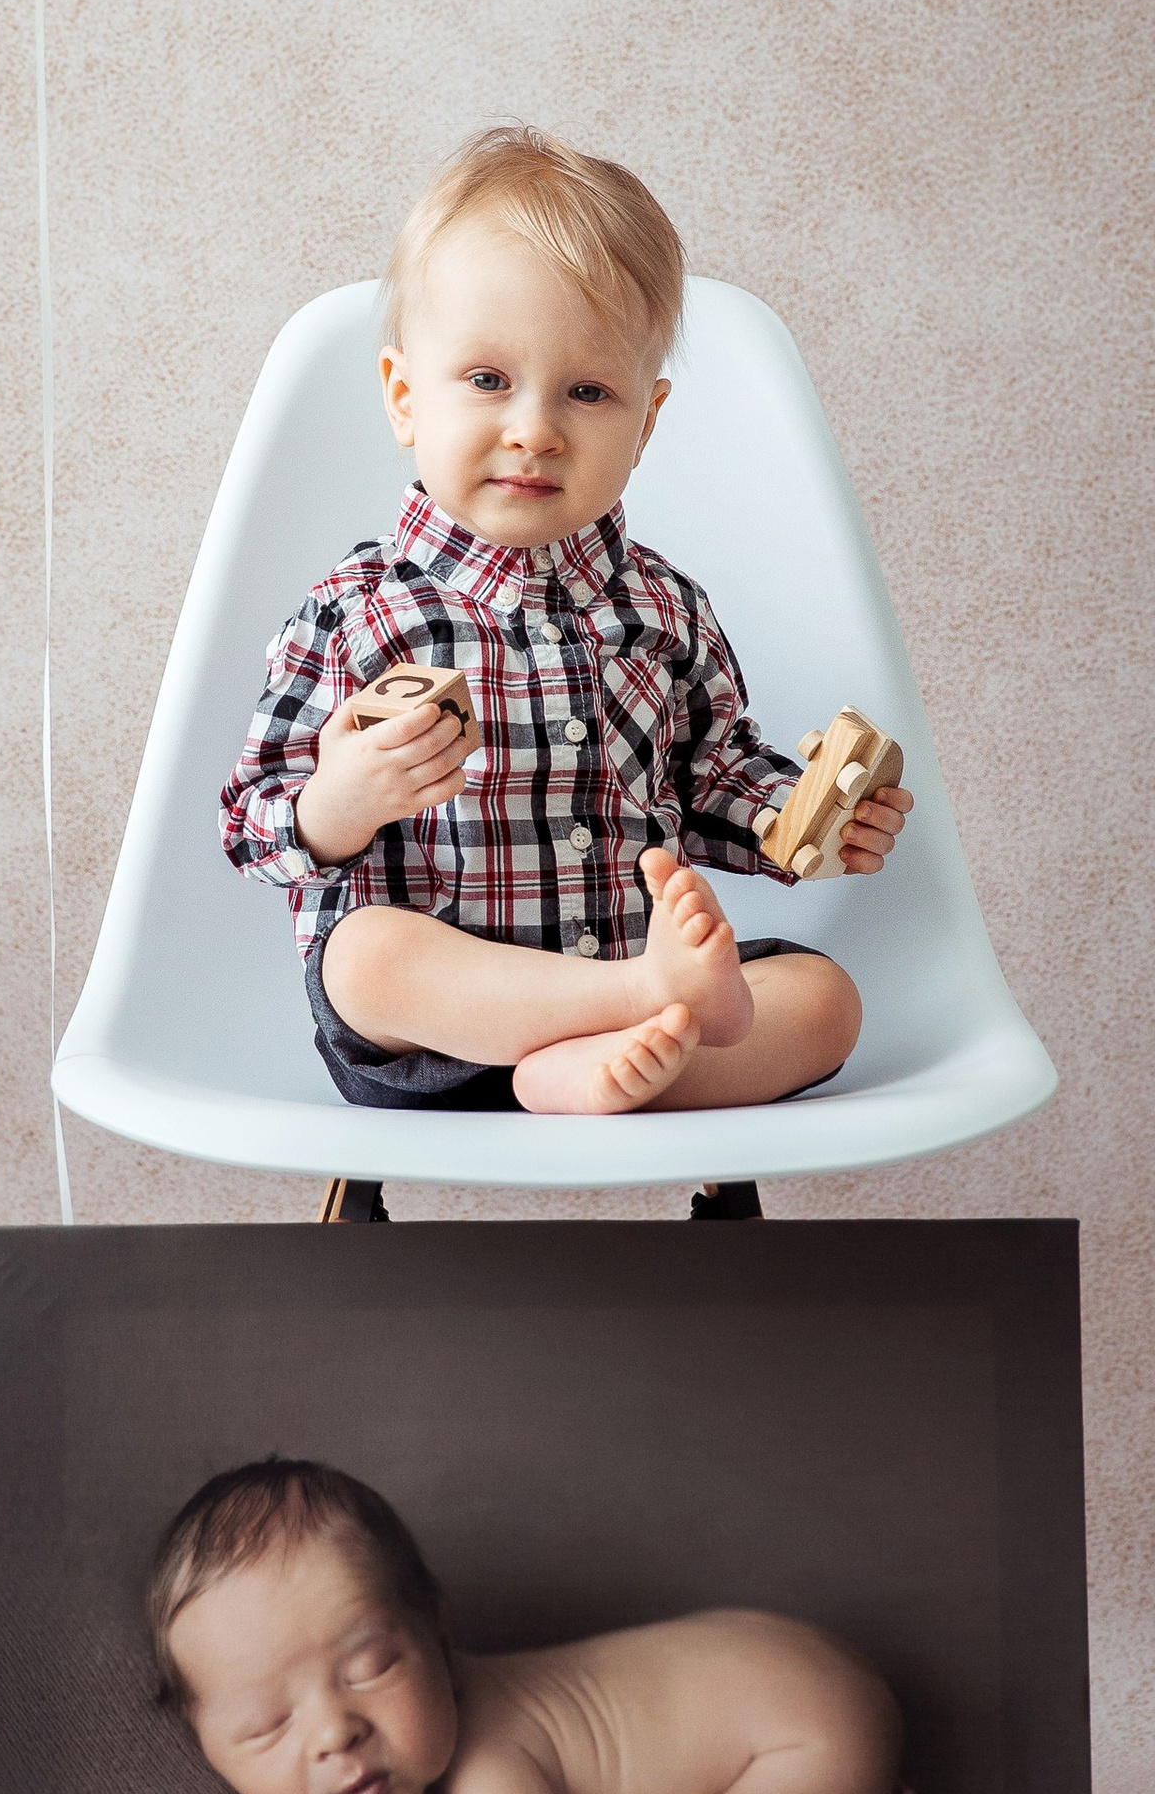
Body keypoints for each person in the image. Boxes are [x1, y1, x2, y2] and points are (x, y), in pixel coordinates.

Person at [219, 128, 907, 1114]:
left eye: (587, 392)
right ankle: (632, 1013)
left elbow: (708, 780)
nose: (534, 428)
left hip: (632, 974)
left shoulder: (663, 611)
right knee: (364, 956)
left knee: (823, 1000)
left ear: (647, 423)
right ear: (406, 396)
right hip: (433, 1033)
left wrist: (804, 823)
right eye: (489, 380)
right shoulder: (355, 611)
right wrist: (341, 801)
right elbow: (251, 824)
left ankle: (616, 1068)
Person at [150, 1459, 925, 1794]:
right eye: (265, 1725)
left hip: (811, 1733)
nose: (334, 1732)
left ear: (439, 1638)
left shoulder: (486, 1762)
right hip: (772, 1658)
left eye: (372, 1668)